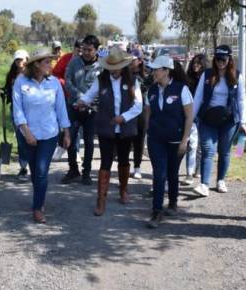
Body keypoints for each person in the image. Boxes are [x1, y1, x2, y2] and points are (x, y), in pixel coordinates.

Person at [75, 47, 143, 215]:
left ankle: (123, 190)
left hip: (125, 128)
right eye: (111, 67)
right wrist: (81, 102)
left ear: (123, 66)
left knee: (124, 160)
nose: (114, 70)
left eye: (117, 67)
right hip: (106, 127)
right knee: (105, 162)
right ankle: (101, 199)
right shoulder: (101, 80)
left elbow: (139, 105)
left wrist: (124, 117)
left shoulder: (133, 81)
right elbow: (90, 95)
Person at [12, 49, 71, 223]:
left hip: (49, 133)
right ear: (36, 64)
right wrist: (26, 132)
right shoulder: (21, 82)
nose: (50, 65)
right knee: (35, 171)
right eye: (47, 62)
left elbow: (61, 108)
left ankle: (37, 208)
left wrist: (66, 132)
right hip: (27, 134)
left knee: (42, 171)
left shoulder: (54, 83)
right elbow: (18, 109)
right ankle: (40, 197)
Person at [143, 56, 193, 229]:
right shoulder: (151, 91)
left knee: (173, 172)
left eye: (156, 69)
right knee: (159, 173)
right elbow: (148, 116)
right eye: (153, 69)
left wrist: (185, 140)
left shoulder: (182, 89)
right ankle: (157, 211)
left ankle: (173, 201)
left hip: (176, 139)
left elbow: (189, 117)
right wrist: (146, 138)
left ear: (166, 70)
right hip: (156, 139)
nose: (153, 72)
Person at [192, 45, 246, 196]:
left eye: (223, 59)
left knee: (224, 151)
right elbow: (198, 97)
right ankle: (204, 184)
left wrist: (243, 122)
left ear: (229, 59)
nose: (220, 62)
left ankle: (220, 180)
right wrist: (191, 118)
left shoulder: (237, 76)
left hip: (229, 120)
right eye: (217, 59)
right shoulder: (207, 75)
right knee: (208, 149)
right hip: (208, 118)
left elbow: (241, 100)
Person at [63, 35, 102, 185]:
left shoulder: (102, 66)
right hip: (73, 107)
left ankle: (86, 172)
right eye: (83, 49)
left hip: (91, 110)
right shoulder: (74, 62)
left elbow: (101, 88)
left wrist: (88, 101)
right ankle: (73, 169)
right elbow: (68, 81)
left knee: (89, 141)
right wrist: (80, 98)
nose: (85, 52)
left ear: (96, 50)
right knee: (70, 138)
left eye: (89, 50)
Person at [4, 50, 30, 180]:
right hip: (15, 110)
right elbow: (7, 89)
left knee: (31, 138)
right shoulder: (12, 75)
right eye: (17, 60)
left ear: (27, 59)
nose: (20, 62)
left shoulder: (32, 74)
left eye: (22, 59)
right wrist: (1, 92)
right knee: (20, 139)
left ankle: (35, 165)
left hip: (31, 111)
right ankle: (24, 167)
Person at [183, 53, 207, 185]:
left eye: (198, 63)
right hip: (191, 114)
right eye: (194, 63)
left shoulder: (207, 79)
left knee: (201, 145)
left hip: (203, 116)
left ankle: (198, 168)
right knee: (191, 144)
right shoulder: (188, 79)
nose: (195, 66)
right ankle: (189, 172)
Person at [129, 49, 150, 179]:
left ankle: (137, 167)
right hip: (126, 110)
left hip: (142, 110)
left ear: (140, 61)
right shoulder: (124, 74)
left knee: (139, 139)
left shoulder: (147, 76)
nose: (131, 61)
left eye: (133, 59)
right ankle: (123, 164)